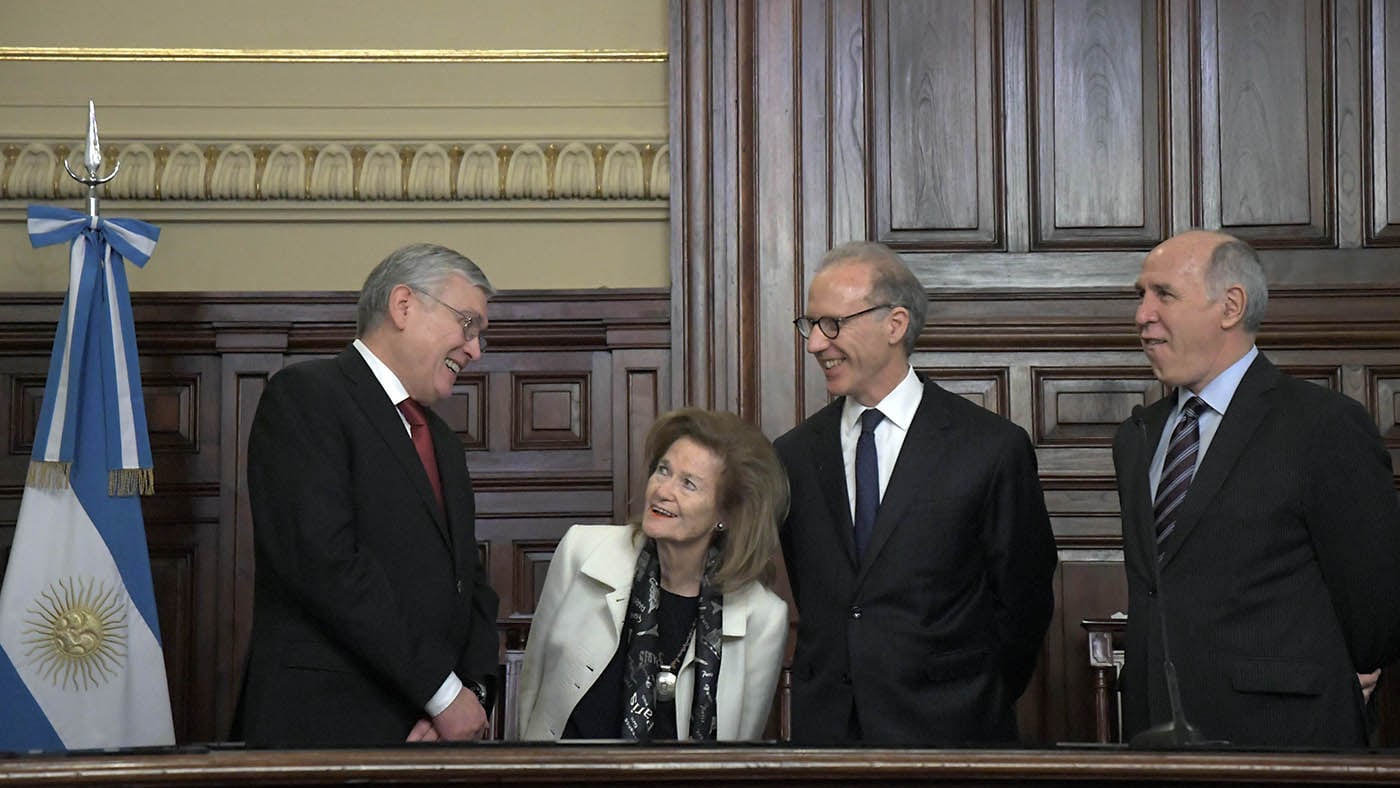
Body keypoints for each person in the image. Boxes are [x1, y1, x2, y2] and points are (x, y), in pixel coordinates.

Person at [1114, 229, 1400, 747]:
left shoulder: (1323, 427)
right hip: (1155, 740)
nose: (1142, 315)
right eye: (1141, 296)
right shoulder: (1138, 436)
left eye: (1164, 294)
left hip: (1285, 741)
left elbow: (1374, 615)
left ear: (1230, 306)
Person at [774, 241, 1057, 746]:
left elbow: (1024, 601)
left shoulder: (989, 447)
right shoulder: (795, 453)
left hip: (954, 735)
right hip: (828, 740)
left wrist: (973, 693)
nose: (816, 343)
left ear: (895, 324)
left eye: (832, 324)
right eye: (809, 325)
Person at [240, 243, 501, 747]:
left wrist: (470, 694)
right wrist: (442, 695)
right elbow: (326, 565)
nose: (474, 349)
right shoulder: (307, 397)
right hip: (326, 735)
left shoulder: (442, 442)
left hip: (431, 738)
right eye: (467, 324)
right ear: (403, 305)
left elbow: (470, 585)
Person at [516, 408, 789, 741]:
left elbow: (742, 746)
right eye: (663, 470)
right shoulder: (582, 552)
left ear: (727, 514)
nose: (663, 490)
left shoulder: (763, 617)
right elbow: (532, 691)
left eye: (688, 484)